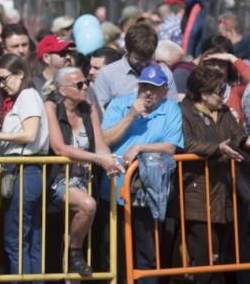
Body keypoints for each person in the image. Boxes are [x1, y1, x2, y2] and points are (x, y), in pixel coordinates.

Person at [101, 64, 184, 278]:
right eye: (144, 86)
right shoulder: (120, 105)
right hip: (113, 191)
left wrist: (139, 148)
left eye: (154, 88)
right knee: (114, 254)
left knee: (147, 255)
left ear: (165, 90)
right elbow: (104, 140)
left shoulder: (171, 108)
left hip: (147, 194)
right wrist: (130, 116)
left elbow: (170, 146)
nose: (148, 92)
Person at [43, 66, 121, 276]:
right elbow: (60, 147)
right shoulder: (51, 107)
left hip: (86, 179)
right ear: (62, 90)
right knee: (88, 205)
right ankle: (74, 253)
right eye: (79, 84)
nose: (85, 86)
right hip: (59, 178)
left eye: (85, 82)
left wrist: (109, 160)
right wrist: (98, 159)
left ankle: (73, 259)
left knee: (79, 223)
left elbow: (100, 143)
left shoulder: (89, 107)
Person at [178, 64, 250, 282]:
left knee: (225, 258)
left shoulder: (224, 112)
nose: (223, 96)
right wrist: (216, 148)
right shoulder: (184, 112)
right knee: (205, 257)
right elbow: (186, 143)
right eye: (219, 91)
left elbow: (239, 136)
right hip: (197, 195)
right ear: (203, 93)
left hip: (225, 194)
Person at [0, 54, 49, 277]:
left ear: (20, 74)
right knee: (29, 240)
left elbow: (29, 134)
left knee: (16, 240)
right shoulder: (22, 98)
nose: (1, 85)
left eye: (4, 78)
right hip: (27, 171)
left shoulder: (28, 95)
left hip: (24, 170)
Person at [93, 23, 178, 108]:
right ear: (127, 49)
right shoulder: (107, 75)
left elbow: (173, 108)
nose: (143, 64)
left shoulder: (165, 74)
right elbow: (100, 112)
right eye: (138, 59)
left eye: (148, 59)